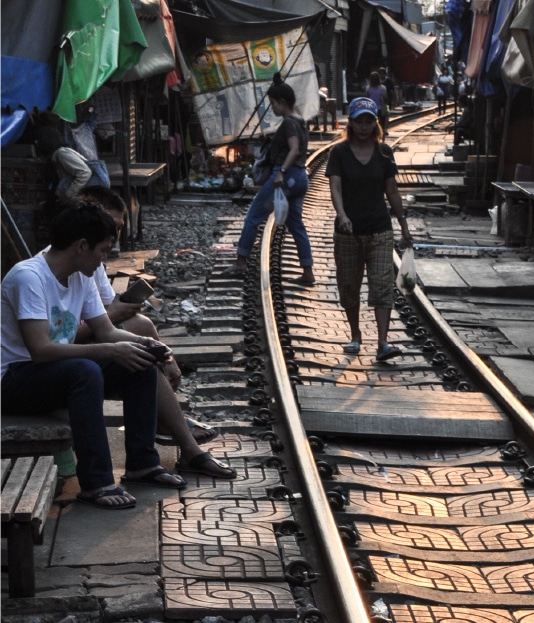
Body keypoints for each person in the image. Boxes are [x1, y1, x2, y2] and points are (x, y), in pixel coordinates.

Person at [1, 201, 181, 509]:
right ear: (81, 246)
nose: (104, 260)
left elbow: (107, 331)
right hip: (14, 378)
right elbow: (40, 350)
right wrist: (111, 350)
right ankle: (96, 482)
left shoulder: (79, 275)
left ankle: (142, 463)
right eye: (103, 251)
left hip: (52, 373)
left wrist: (150, 345)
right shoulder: (28, 277)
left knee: (139, 359)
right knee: (85, 370)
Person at [72, 186, 235, 480]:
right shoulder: (43, 272)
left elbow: (104, 321)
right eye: (112, 229)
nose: (114, 238)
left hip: (81, 345)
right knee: (133, 360)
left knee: (145, 344)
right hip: (55, 363)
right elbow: (52, 342)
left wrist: (159, 350)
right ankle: (181, 440)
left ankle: (152, 450)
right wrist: (116, 339)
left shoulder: (89, 263)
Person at [325, 97, 412, 361]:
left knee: (382, 284)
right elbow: (335, 187)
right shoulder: (338, 153)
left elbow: (392, 190)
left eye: (368, 121)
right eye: (359, 121)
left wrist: (403, 225)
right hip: (348, 232)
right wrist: (342, 215)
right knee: (349, 285)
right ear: (350, 123)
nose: (363, 126)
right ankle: (355, 335)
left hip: (379, 229)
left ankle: (383, 342)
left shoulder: (384, 152)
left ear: (375, 123)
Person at [228, 73, 315, 285]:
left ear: (282, 102)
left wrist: (281, 172)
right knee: (296, 224)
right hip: (300, 177)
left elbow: (294, 149)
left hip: (286, 177)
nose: (273, 108)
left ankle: (241, 261)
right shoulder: (301, 121)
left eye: (273, 103)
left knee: (254, 215)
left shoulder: (288, 123)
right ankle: (308, 271)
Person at [365, 71, 390, 136]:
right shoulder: (383, 88)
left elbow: (367, 97)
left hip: (371, 109)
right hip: (380, 108)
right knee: (385, 118)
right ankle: (384, 131)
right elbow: (385, 98)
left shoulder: (368, 88)